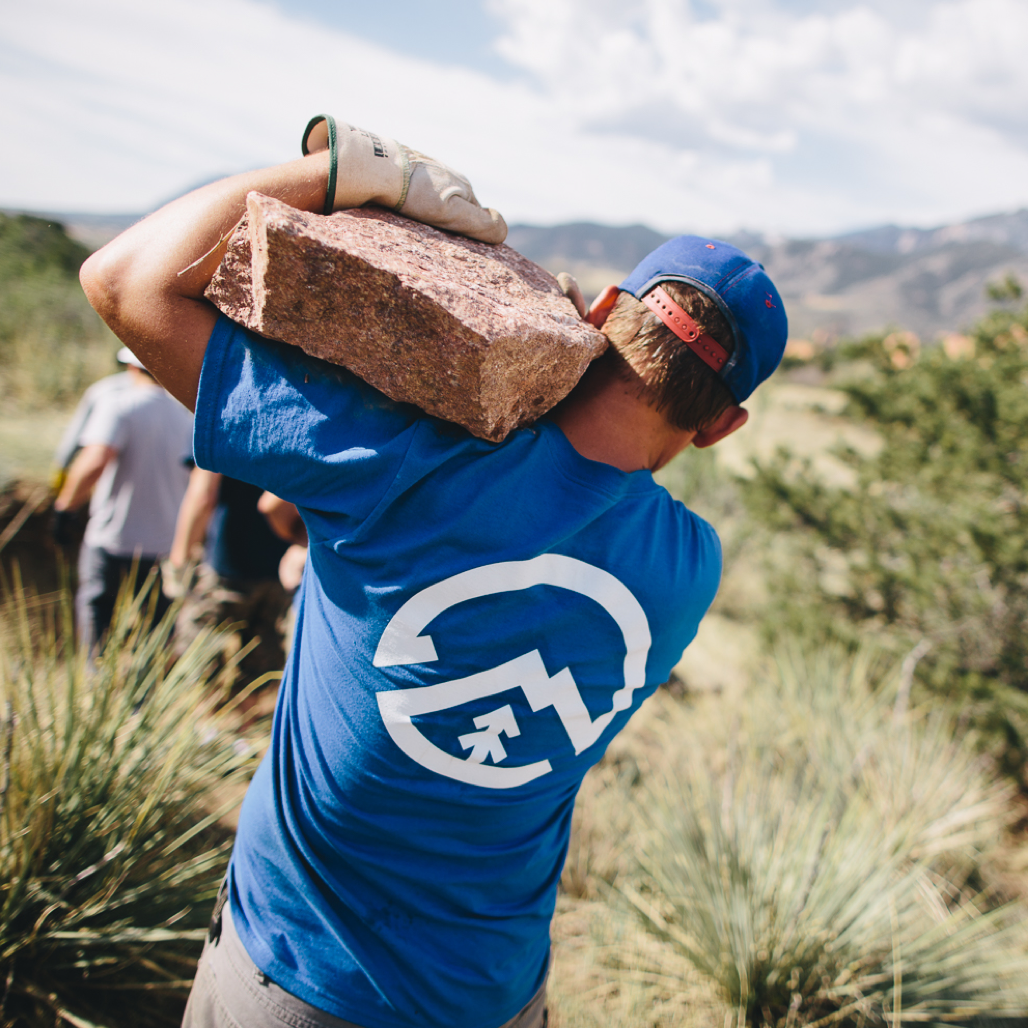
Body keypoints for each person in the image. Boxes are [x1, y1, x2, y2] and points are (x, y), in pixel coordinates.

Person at [78, 115, 787, 1028]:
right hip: (494, 989)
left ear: (606, 310)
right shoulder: (690, 568)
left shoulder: (399, 461)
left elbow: (125, 282)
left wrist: (352, 176)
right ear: (724, 424)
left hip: (301, 970)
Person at [53, 347, 193, 652]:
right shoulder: (185, 413)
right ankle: (146, 697)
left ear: (131, 368)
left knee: (96, 618)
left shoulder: (119, 405)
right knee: (154, 632)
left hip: (113, 537)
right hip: (164, 543)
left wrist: (65, 507)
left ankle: (95, 687)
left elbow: (94, 461)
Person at [165, 466, 296, 684]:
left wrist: (179, 563)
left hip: (225, 566)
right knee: (258, 680)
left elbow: (202, 496)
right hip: (278, 568)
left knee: (198, 673)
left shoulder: (219, 429)